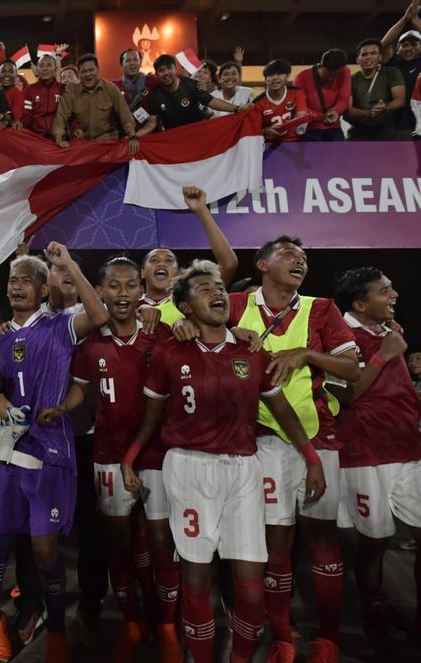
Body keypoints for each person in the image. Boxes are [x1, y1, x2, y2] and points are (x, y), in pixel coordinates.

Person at [121, 259, 325, 663]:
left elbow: (282, 410)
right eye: (203, 289)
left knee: (250, 583)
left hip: (244, 470)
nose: (216, 292)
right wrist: (131, 458)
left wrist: (311, 456)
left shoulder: (251, 350)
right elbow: (152, 418)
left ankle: (240, 658)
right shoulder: (168, 354)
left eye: (218, 286)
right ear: (184, 308)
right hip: (188, 468)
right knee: (196, 575)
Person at [176, 235, 360, 663]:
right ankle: (284, 638)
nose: (300, 260)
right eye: (289, 255)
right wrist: (180, 325)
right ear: (261, 264)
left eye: (304, 257)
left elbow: (352, 370)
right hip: (259, 443)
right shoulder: (235, 303)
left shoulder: (321, 308)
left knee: (322, 541)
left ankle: (329, 640)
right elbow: (186, 317)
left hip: (317, 436)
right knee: (276, 545)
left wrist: (308, 354)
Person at [0, 245, 109, 663]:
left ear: (42, 288)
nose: (17, 287)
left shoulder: (61, 324)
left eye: (25, 280)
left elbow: (101, 316)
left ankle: (55, 630)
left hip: (49, 455)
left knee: (45, 552)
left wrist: (69, 265)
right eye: (12, 280)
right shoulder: (2, 337)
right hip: (10, 457)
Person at [52, 256, 178, 663]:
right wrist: (60, 407)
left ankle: (166, 626)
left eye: (129, 286)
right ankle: (131, 622)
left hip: (158, 455)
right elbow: (80, 390)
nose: (122, 294)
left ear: (142, 291)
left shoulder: (163, 337)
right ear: (101, 293)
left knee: (161, 544)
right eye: (114, 287)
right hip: (107, 454)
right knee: (119, 545)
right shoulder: (92, 346)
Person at [331, 267, 421, 657]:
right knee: (374, 544)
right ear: (360, 304)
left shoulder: (390, 332)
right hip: (365, 453)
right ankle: (373, 615)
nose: (394, 294)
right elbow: (346, 396)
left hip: (409, 449)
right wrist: (383, 357)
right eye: (385, 291)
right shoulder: (339, 335)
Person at [140, 188, 238, 326]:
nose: (161, 264)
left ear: (178, 272)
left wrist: (202, 211)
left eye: (169, 260)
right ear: (142, 272)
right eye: (154, 260)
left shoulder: (194, 299)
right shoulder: (127, 304)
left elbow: (229, 264)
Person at [137, 54, 248, 136]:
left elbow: (213, 102)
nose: (166, 73)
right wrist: (133, 136)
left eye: (169, 68)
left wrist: (237, 109)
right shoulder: (154, 95)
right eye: (161, 70)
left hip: (199, 135)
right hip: (174, 139)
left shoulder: (192, 85)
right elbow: (151, 123)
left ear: (175, 68)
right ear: (157, 74)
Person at [52, 54, 138, 149]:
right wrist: (59, 140)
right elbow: (60, 118)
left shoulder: (111, 88)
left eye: (91, 70)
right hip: (83, 142)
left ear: (97, 70)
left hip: (108, 140)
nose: (88, 74)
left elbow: (125, 115)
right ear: (79, 74)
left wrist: (132, 136)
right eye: (83, 71)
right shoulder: (71, 93)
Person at [346, 38, 405, 141]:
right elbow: (348, 110)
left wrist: (385, 106)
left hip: (385, 131)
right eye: (364, 54)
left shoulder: (392, 73)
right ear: (357, 59)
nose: (369, 57)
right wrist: (369, 113)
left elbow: (400, 100)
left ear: (380, 57)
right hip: (358, 131)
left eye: (373, 53)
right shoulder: (351, 80)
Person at [380, 1, 421, 138]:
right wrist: (405, 18)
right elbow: (382, 45)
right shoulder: (393, 63)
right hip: (394, 126)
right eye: (404, 45)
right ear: (397, 49)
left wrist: (414, 19)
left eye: (414, 44)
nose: (409, 48)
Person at [293, 49, 351, 141]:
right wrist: (322, 116)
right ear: (320, 66)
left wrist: (336, 111)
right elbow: (300, 107)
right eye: (327, 75)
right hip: (310, 129)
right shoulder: (302, 77)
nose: (331, 79)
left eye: (335, 75)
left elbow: (344, 98)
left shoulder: (345, 71)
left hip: (334, 128)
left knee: (340, 155)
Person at [253, 59, 309, 142]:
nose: (275, 78)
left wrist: (299, 127)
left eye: (279, 74)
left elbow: (301, 117)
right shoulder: (258, 103)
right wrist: (265, 131)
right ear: (265, 79)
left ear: (287, 76)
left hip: (294, 142)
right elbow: (253, 131)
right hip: (269, 144)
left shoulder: (297, 93)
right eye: (271, 75)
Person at [113, 49, 159, 129]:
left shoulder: (152, 81)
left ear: (140, 63)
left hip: (150, 133)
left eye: (135, 60)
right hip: (125, 134)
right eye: (128, 61)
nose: (132, 63)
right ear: (121, 65)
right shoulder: (115, 86)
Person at [23, 54, 63, 138]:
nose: (45, 69)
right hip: (37, 139)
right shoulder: (29, 90)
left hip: (60, 138)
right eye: (41, 65)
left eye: (49, 65)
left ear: (55, 69)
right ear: (37, 70)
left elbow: (70, 115)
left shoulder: (63, 89)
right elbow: (27, 116)